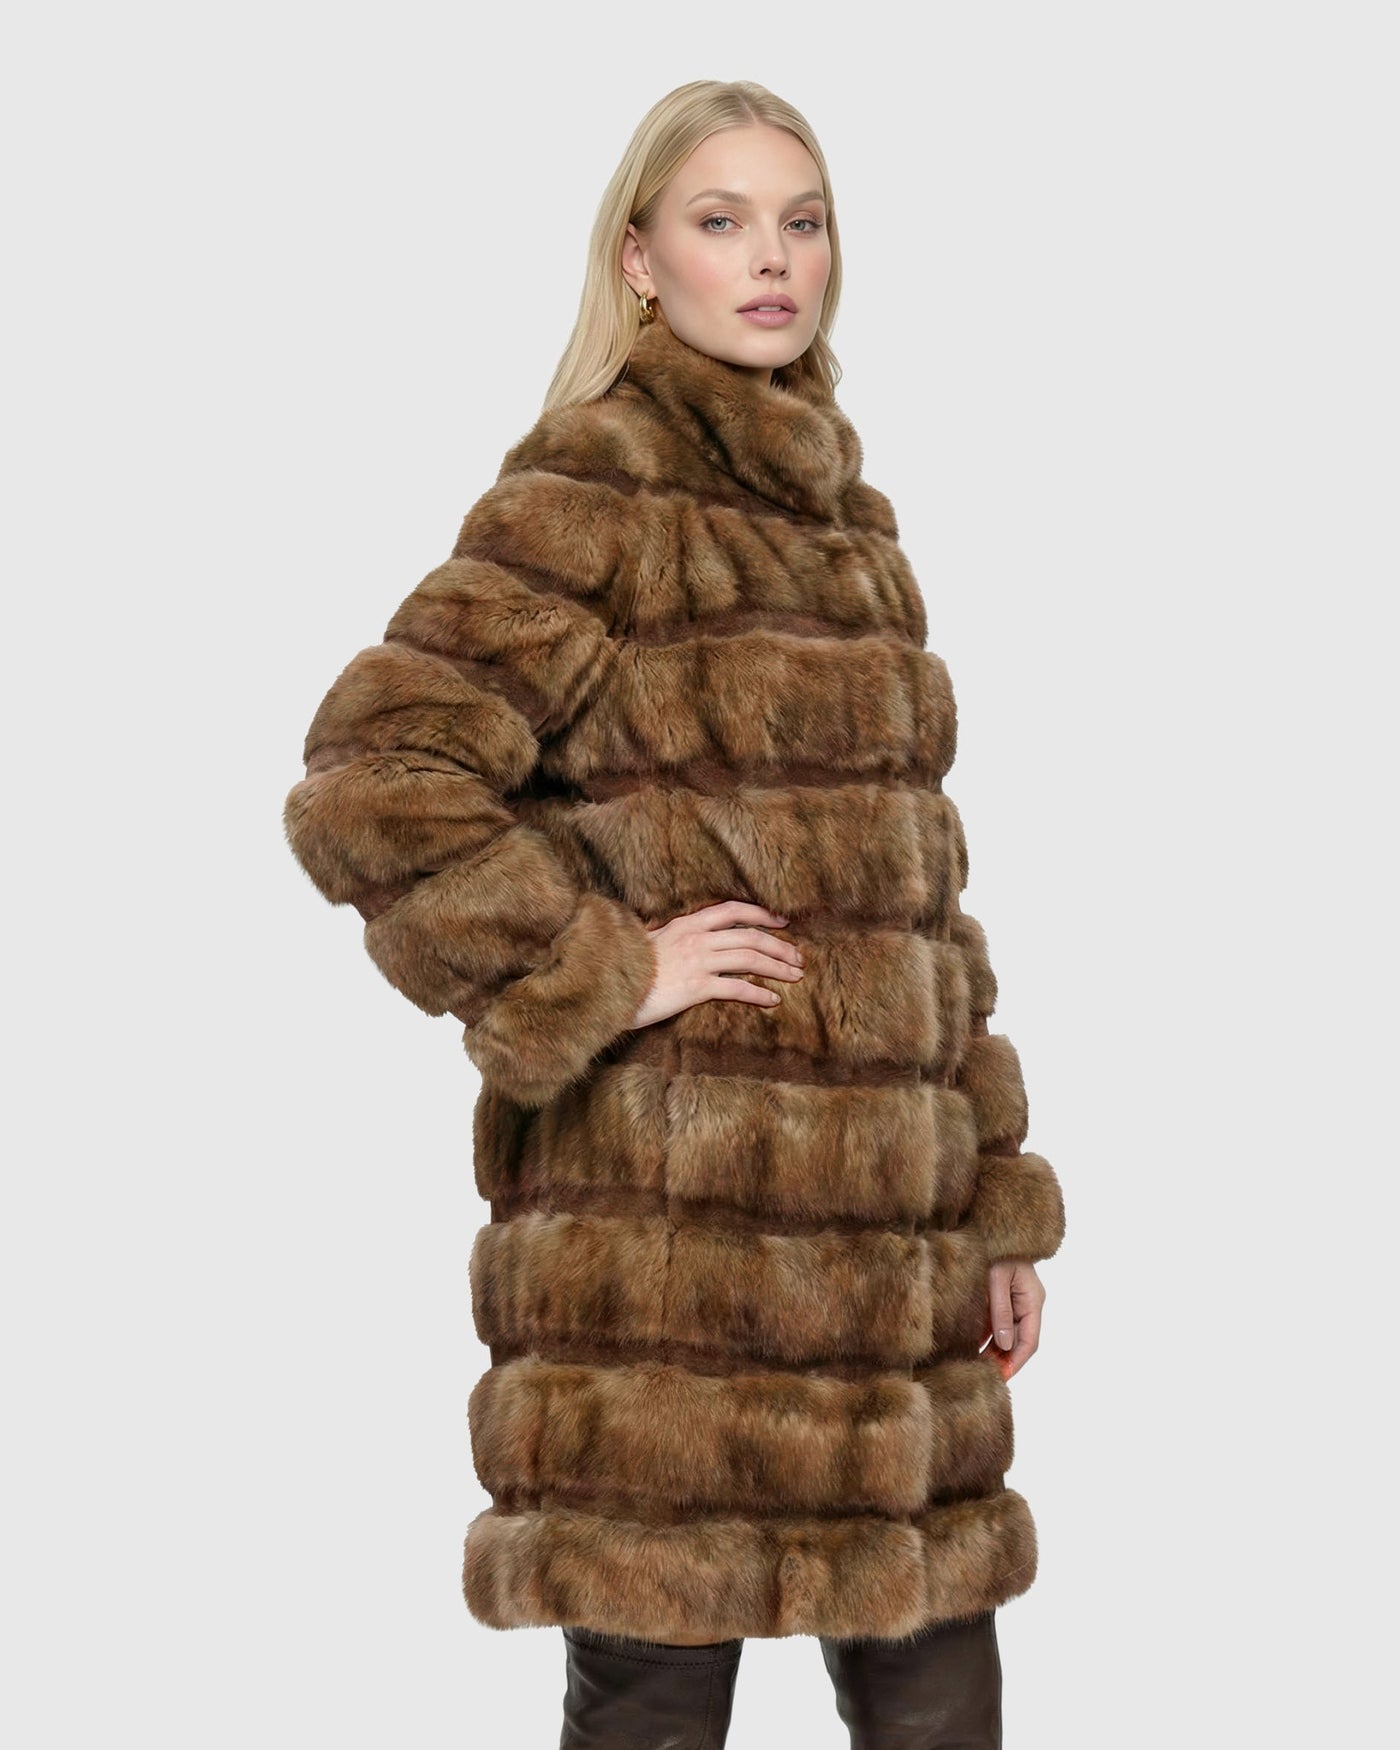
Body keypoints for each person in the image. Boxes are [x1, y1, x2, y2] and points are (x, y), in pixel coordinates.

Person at [283, 78, 1065, 1750]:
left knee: (941, 1704)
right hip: (669, 1272)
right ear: (641, 260)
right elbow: (376, 775)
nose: (772, 259)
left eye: (802, 221)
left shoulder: (849, 527)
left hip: (892, 1285)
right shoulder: (606, 481)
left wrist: (994, 1203)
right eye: (723, 221)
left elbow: (927, 906)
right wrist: (601, 968)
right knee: (654, 1712)